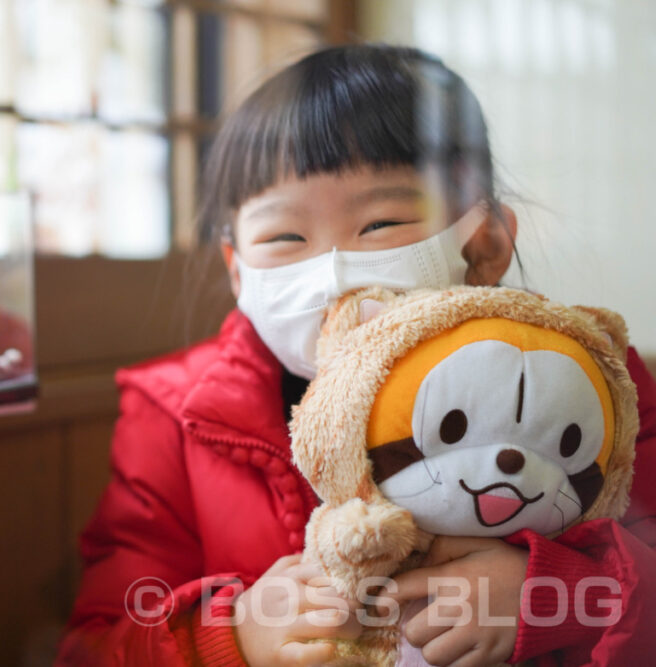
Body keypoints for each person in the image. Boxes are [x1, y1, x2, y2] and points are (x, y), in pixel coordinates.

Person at [55, 45, 656, 666]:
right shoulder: (175, 415)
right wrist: (226, 638)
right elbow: (96, 644)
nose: (334, 272)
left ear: (486, 243)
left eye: (379, 224)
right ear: (237, 270)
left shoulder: (592, 384)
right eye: (285, 236)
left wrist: (552, 595)